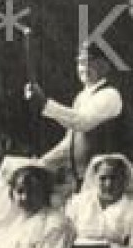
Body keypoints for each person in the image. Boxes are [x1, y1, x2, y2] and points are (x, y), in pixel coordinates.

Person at [24, 41, 127, 190]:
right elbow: (69, 144)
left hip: (106, 182)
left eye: (90, 62)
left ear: (105, 66)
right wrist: (40, 164)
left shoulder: (110, 95)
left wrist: (45, 104)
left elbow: (82, 121)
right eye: (80, 63)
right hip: (81, 181)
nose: (84, 68)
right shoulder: (80, 97)